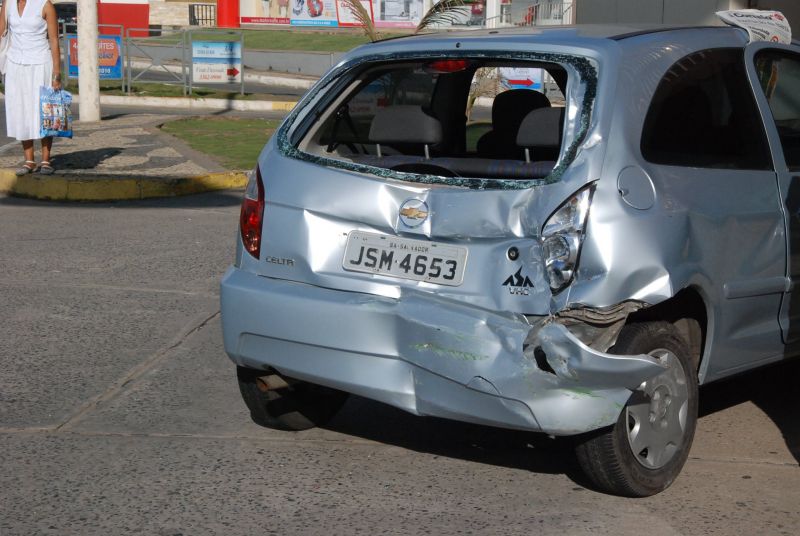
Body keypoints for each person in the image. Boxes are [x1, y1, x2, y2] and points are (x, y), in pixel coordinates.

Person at [0, 0, 62, 176]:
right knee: (20, 110)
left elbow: (54, 40)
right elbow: (1, 31)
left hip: (40, 63)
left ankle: (45, 159)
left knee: (44, 111)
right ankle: (29, 160)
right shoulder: (8, 3)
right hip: (15, 64)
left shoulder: (45, 5)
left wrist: (56, 74)